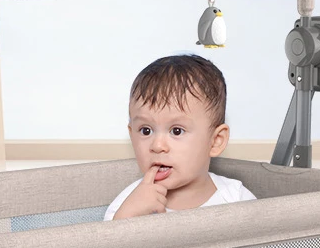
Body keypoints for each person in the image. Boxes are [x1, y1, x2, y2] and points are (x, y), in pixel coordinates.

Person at [104, 53, 256, 220]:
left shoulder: (237, 199)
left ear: (215, 141)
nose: (157, 145)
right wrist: (126, 216)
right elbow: (108, 237)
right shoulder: (127, 207)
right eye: (146, 130)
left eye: (176, 131)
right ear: (132, 135)